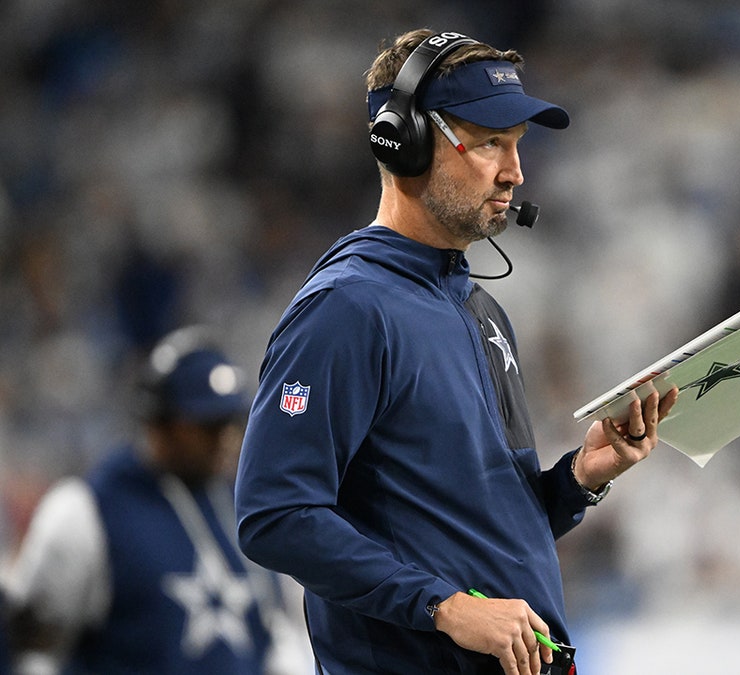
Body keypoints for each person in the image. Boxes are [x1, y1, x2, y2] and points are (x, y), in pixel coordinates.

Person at [234, 28, 677, 675]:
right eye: (491, 141)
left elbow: (468, 529)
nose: (515, 170)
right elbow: (273, 513)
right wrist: (443, 604)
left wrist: (577, 479)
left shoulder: (480, 308)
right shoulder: (347, 307)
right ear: (404, 142)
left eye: (518, 144)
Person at [2, 327, 303, 675]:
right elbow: (35, 652)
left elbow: (273, 635)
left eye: (232, 422)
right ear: (160, 423)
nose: (228, 439)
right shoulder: (86, 510)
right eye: (209, 425)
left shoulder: (242, 506)